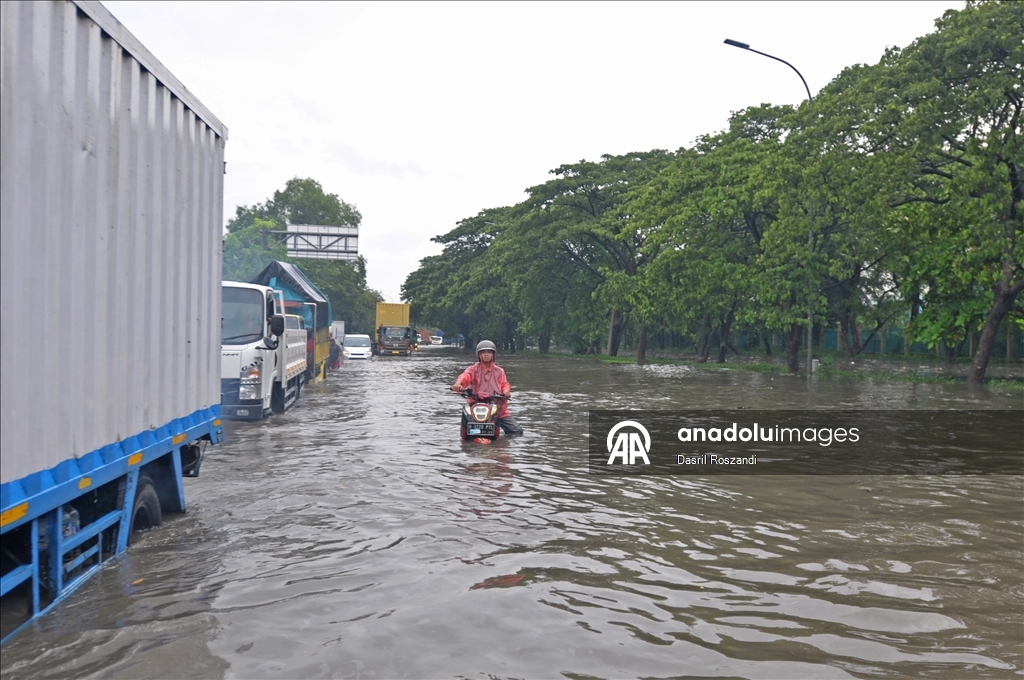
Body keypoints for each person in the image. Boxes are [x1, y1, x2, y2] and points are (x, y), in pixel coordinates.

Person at [451, 340, 524, 435]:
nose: (486, 354)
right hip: (475, 405)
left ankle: (502, 442)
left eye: (489, 352)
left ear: (493, 354)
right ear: (479, 355)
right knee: (467, 426)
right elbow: (465, 376)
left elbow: (505, 384)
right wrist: (458, 383)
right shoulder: (473, 369)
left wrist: (506, 391)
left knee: (517, 431)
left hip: (497, 407)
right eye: (483, 352)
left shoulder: (499, 371)